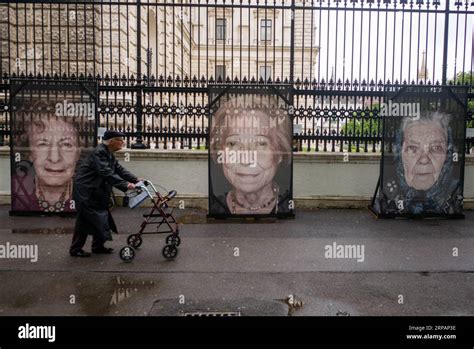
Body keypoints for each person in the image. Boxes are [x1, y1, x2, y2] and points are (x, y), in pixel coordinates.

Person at [209, 93, 292, 215]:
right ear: (220, 151)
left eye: (260, 143)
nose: (246, 160)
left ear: (279, 153)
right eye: (233, 143)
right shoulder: (215, 208)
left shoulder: (287, 206)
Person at [69, 130, 142, 257]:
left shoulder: (108, 153)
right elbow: (106, 172)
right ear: (112, 141)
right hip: (87, 191)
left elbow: (119, 170)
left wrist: (135, 179)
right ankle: (75, 249)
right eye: (120, 140)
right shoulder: (99, 152)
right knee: (85, 220)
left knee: (101, 217)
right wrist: (125, 185)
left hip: (95, 191)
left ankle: (97, 246)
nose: (123, 142)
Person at [384, 110, 462, 215]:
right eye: (413, 148)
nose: (424, 160)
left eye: (436, 148)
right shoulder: (387, 197)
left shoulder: (455, 194)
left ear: (447, 155)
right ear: (400, 153)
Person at [11, 100, 83, 213]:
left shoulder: (88, 193)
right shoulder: (18, 191)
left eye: (66, 144)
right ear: (30, 153)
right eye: (42, 144)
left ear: (78, 153)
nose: (54, 158)